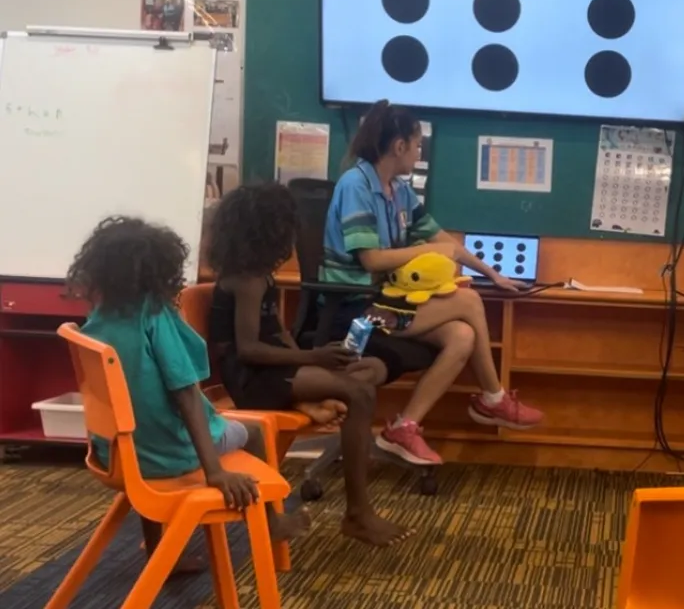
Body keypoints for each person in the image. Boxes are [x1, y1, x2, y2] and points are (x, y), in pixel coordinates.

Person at [66, 217, 311, 573]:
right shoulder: (155, 316)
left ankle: (160, 550)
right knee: (256, 431)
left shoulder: (97, 319)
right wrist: (215, 472)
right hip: (165, 457)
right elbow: (186, 397)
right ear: (158, 273)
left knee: (159, 424)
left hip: (119, 455)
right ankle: (273, 525)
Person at [322, 101, 543, 466]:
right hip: (354, 309)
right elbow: (371, 260)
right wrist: (428, 250)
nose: (419, 151)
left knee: (463, 336)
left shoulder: (401, 191)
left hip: (388, 302)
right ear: (399, 146)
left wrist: (492, 274)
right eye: (417, 144)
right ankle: (494, 399)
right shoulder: (355, 185)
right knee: (469, 304)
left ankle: (403, 428)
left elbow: (447, 244)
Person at [205, 183, 411, 547]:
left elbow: (276, 333)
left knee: (358, 373)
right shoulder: (248, 279)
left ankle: (308, 403)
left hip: (268, 370)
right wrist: (311, 358)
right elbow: (249, 350)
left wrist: (315, 359)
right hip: (250, 378)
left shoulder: (258, 273)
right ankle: (358, 514)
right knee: (359, 392)